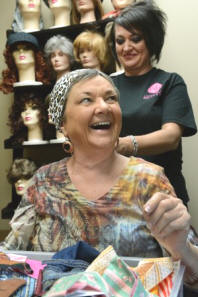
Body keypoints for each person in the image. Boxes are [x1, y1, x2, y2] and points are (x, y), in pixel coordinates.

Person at [1, 69, 198, 291]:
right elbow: (8, 260)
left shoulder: (148, 179)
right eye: (87, 99)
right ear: (62, 123)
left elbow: (193, 276)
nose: (104, 107)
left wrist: (182, 249)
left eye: (111, 98)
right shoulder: (43, 182)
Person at [109, 1, 197, 206]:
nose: (126, 47)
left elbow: (171, 137)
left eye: (135, 39)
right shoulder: (107, 86)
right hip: (119, 195)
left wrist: (125, 144)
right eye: (120, 41)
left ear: (151, 40)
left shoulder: (170, 82)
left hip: (164, 194)